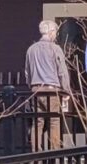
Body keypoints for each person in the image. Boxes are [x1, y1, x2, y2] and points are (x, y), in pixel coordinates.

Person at [24, 18, 69, 148]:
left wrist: (32, 86)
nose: (56, 34)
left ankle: (36, 153)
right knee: (54, 120)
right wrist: (66, 90)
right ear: (50, 32)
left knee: (37, 121)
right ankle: (55, 152)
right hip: (52, 90)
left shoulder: (31, 50)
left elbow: (27, 73)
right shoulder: (55, 49)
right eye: (55, 31)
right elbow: (62, 72)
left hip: (36, 90)